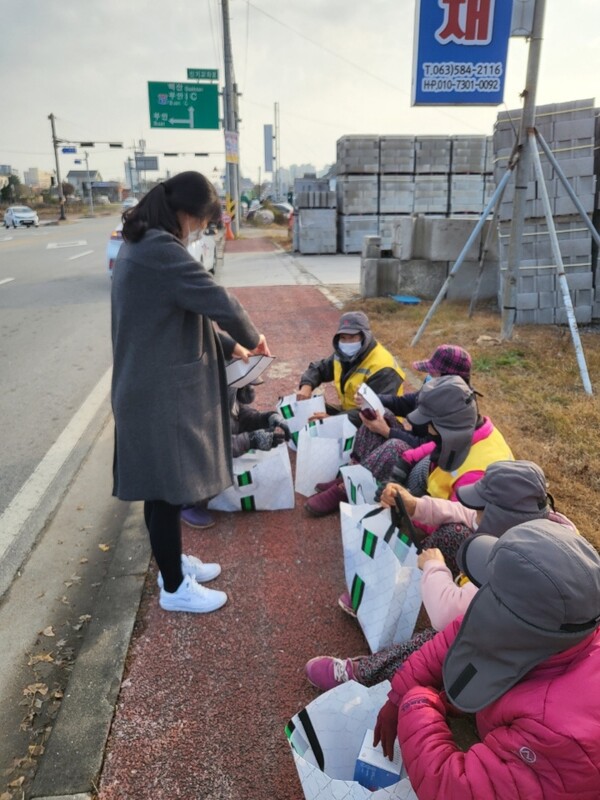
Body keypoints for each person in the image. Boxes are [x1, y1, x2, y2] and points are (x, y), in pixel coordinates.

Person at [111, 171, 270, 614]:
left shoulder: (142, 244)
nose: (199, 230)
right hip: (155, 393)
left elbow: (184, 314)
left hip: (145, 387)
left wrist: (229, 345)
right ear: (184, 213)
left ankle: (171, 566)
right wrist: (253, 339)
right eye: (199, 223)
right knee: (165, 489)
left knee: (160, 486)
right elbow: (215, 298)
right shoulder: (160, 250)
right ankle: (175, 587)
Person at [373, 519, 600, 799]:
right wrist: (397, 694)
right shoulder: (562, 635)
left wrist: (416, 702)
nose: (482, 594)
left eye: (494, 591)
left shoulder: (558, 729)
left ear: (518, 623)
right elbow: (461, 634)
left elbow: (454, 788)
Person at [305, 461, 577, 690]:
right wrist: (414, 505)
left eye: (483, 508)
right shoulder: (534, 523)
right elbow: (463, 513)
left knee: (444, 639)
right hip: (526, 634)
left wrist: (435, 568)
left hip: (525, 670)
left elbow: (445, 616)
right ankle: (388, 596)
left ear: (501, 515)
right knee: (455, 533)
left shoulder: (522, 570)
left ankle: (364, 673)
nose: (476, 512)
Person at [304, 345, 473, 516]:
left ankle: (347, 488)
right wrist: (371, 397)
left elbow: (430, 446)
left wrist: (387, 432)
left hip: (427, 465)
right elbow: (403, 403)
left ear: (449, 378)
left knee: (395, 446)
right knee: (378, 415)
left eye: (433, 373)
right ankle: (351, 473)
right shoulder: (437, 392)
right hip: (416, 446)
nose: (428, 376)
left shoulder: (456, 410)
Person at [181, 383, 291, 528]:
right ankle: (186, 502)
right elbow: (208, 444)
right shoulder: (194, 394)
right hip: (185, 454)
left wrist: (265, 419)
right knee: (200, 457)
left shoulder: (221, 379)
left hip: (207, 438)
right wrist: (251, 440)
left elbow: (236, 417)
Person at [296, 311, 405, 427]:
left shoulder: (383, 368)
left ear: (365, 336)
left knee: (322, 426)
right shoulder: (343, 355)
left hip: (381, 424)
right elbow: (319, 368)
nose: (347, 343)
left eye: (352, 337)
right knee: (309, 412)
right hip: (352, 412)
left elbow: (373, 411)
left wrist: (333, 421)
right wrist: (306, 385)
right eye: (343, 338)